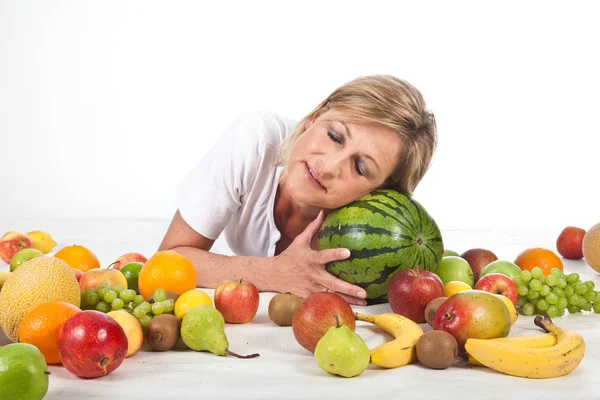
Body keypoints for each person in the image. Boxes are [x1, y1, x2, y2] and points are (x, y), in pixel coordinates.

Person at [158, 75, 437, 306]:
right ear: (315, 117)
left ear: (384, 193)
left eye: (361, 168)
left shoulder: (375, 238)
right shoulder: (254, 138)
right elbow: (167, 261)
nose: (328, 167)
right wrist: (274, 273)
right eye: (334, 136)